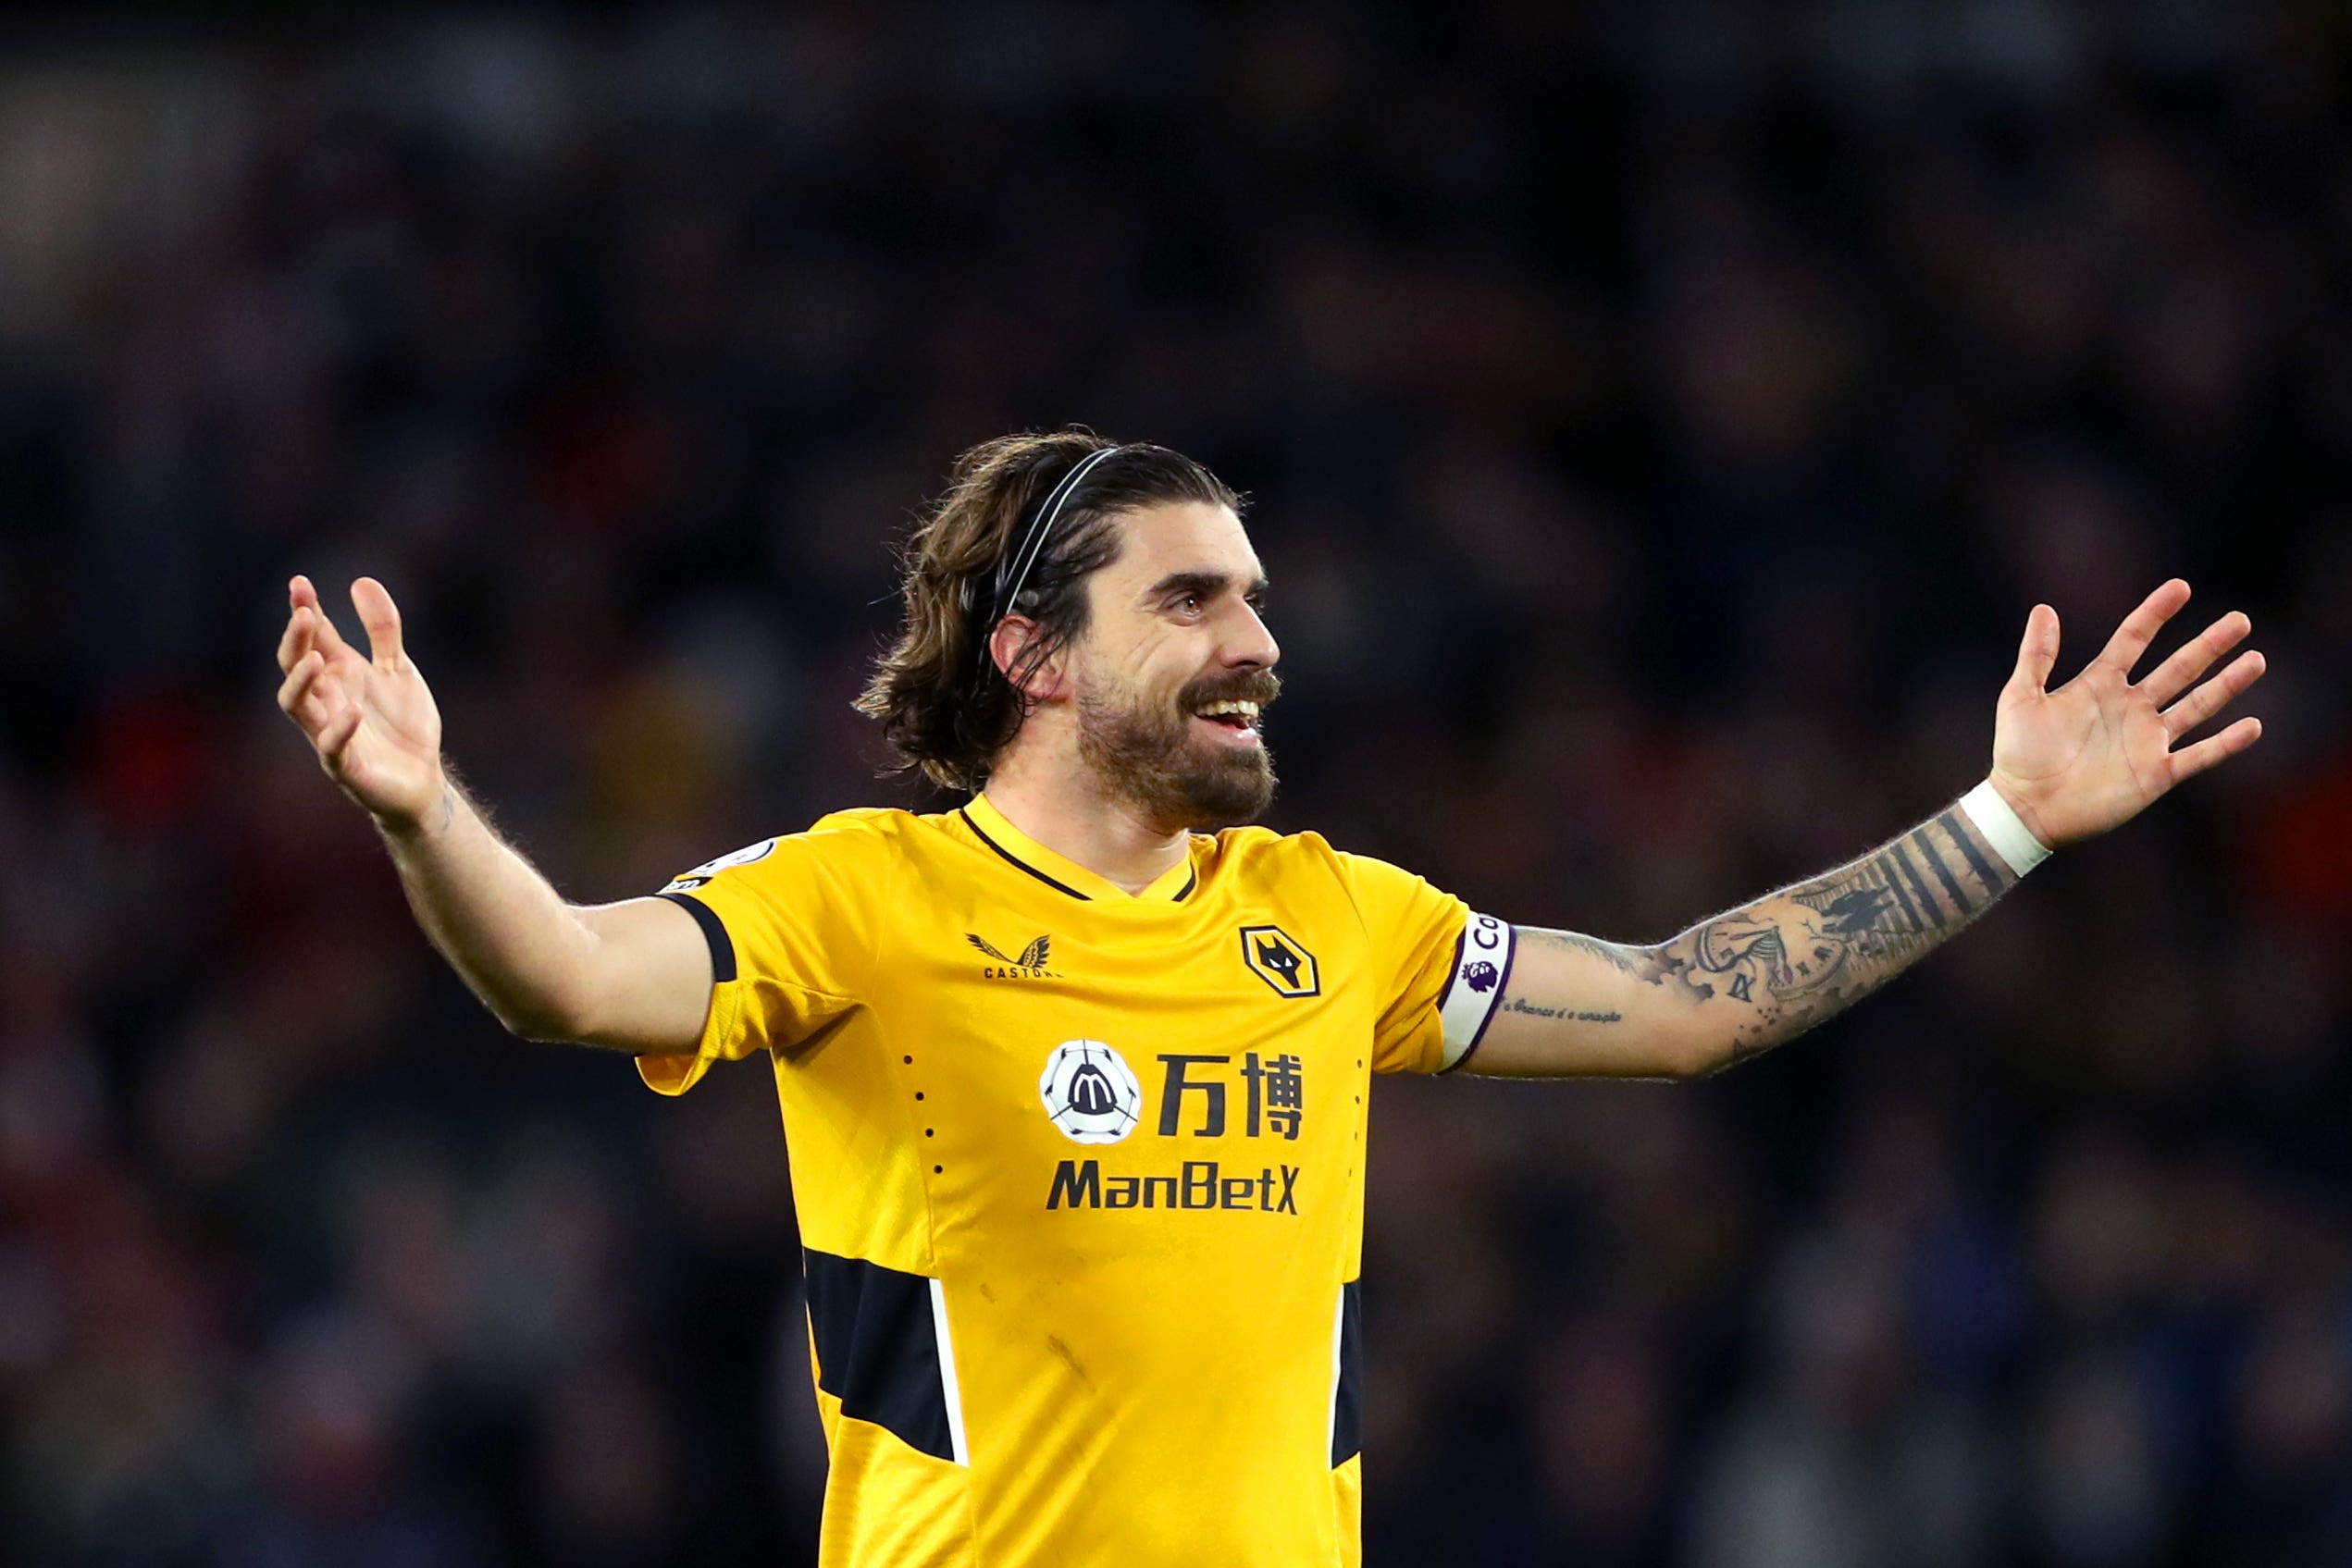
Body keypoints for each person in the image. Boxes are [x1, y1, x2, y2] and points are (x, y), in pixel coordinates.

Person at [273, 430, 2265, 1568]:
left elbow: (1683, 1001)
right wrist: (424, 807)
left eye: (1254, 593)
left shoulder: (1328, 919)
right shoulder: (858, 901)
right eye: (1192, 600)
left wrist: (2000, 819)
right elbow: (563, 975)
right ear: (1031, 651)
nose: (1259, 639)